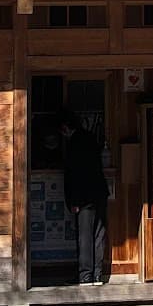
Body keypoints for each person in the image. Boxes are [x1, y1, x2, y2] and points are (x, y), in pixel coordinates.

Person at [59, 110, 108, 286]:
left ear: (65, 128)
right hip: (99, 193)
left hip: (84, 198)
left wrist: (74, 201)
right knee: (99, 234)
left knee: (85, 237)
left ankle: (85, 275)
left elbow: (75, 175)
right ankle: (97, 274)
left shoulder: (74, 144)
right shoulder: (90, 138)